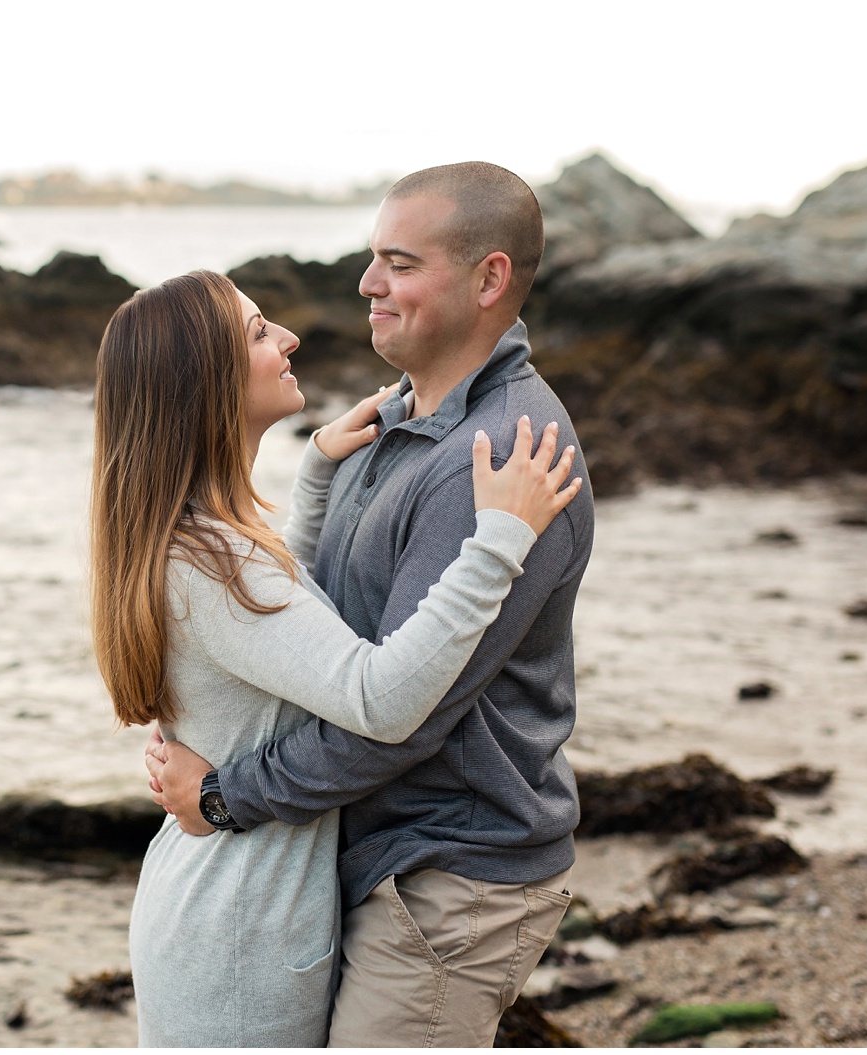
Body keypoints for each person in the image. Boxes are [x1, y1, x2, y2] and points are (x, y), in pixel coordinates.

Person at [144, 162, 595, 1047]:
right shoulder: (396, 428)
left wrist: (229, 795)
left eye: (399, 261)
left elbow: (398, 712)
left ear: (489, 277)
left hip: (448, 874)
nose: (366, 284)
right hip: (379, 858)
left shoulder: (498, 457)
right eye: (371, 256)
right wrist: (317, 479)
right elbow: (313, 627)